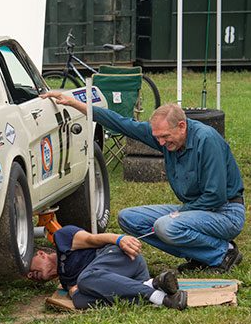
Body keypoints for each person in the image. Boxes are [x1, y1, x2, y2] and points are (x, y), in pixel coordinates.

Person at [39, 92, 245, 273]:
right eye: (158, 138)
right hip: (195, 210)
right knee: (129, 218)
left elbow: (215, 197)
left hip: (225, 212)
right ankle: (202, 255)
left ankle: (222, 253)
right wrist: (76, 104)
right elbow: (123, 124)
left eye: (165, 137)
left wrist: (180, 213)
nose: (161, 143)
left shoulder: (207, 140)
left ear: (182, 126)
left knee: (166, 226)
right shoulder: (167, 136)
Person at [27, 225, 187, 310]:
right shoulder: (64, 279)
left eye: (27, 268)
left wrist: (119, 239)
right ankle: (151, 286)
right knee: (79, 300)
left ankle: (160, 298)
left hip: (123, 257)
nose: (29, 276)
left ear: (41, 254)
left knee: (85, 279)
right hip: (130, 282)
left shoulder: (62, 238)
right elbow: (74, 291)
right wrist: (73, 291)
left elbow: (92, 239)